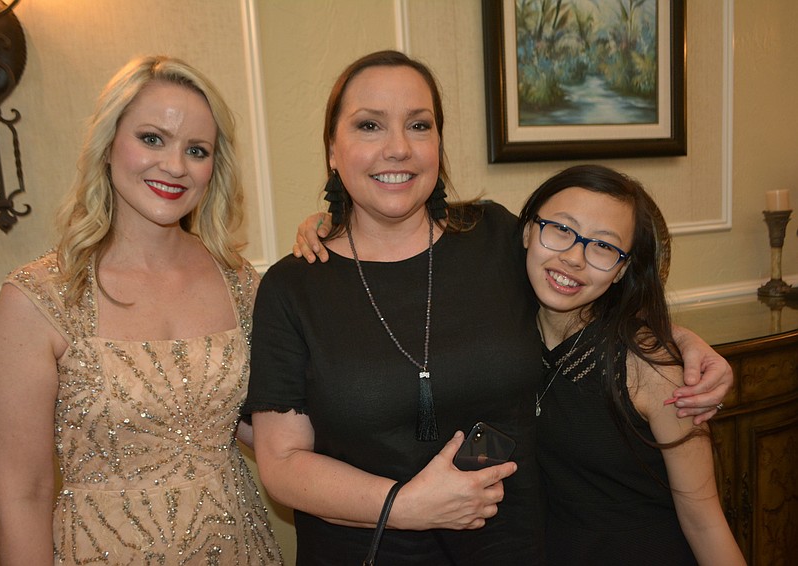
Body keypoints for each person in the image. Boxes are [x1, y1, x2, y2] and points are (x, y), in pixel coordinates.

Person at [246, 50, 731, 565]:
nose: (398, 148)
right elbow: (282, 463)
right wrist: (405, 505)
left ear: (438, 144)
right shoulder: (292, 287)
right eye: (369, 125)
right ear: (332, 149)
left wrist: (677, 341)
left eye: (419, 125)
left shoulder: (494, 237)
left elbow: (581, 296)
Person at [0, 55, 283, 565]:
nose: (175, 166)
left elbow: (267, 429)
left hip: (238, 548)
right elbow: (23, 498)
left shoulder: (240, 282)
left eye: (197, 150)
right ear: (108, 144)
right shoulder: (41, 297)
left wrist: (338, 243)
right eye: (152, 139)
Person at [518, 164, 744, 565]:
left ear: (622, 269)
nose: (573, 258)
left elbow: (705, 523)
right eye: (561, 229)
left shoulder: (651, 368)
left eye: (603, 247)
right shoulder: (506, 336)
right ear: (527, 231)